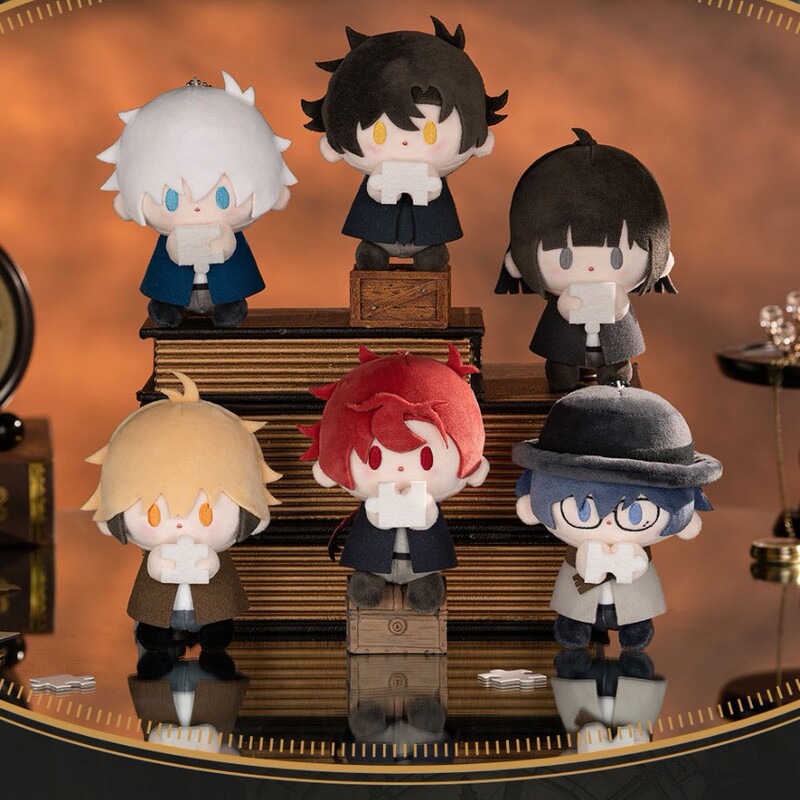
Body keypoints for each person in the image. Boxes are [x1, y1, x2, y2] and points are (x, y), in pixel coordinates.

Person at [82, 372, 280, 651]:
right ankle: (158, 635)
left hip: (213, 601)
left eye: (205, 514)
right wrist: (157, 563)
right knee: (153, 633)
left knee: (217, 632)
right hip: (158, 603)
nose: (178, 524)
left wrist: (209, 562)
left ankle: (211, 634)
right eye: (154, 515)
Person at [513, 385, 721, 649]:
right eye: (583, 510)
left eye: (636, 514)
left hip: (634, 590)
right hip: (578, 591)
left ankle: (635, 624)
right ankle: (575, 623)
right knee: (574, 614)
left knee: (635, 618)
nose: (609, 522)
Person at [302, 17, 507, 271]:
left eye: (430, 132)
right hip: (376, 232)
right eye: (379, 133)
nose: (406, 142)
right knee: (370, 256)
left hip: (428, 234)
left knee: (432, 259)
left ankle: (428, 252)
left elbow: (433, 192)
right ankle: (376, 251)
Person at [98, 71, 296, 327]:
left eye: (222, 198)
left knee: (229, 291)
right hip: (172, 281)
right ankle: (169, 303)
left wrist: (225, 242)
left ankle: (228, 303)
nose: (198, 209)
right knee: (168, 286)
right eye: (172, 200)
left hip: (226, 286)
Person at [300, 345, 489, 612]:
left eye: (426, 459)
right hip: (372, 560)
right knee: (368, 574)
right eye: (375, 458)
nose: (401, 469)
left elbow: (427, 523)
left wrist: (423, 511)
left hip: (423, 562)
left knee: (426, 583)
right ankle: (371, 576)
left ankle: (423, 579)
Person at [496, 128, 675, 390]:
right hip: (563, 341)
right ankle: (563, 374)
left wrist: (618, 303)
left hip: (613, 340)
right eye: (565, 258)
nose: (590, 268)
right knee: (561, 368)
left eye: (616, 258)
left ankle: (613, 372)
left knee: (617, 369)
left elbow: (620, 310)